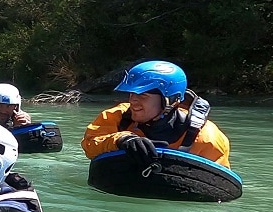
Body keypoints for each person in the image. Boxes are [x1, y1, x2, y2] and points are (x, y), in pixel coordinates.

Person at [81, 60, 231, 168]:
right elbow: (89, 145)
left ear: (170, 101)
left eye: (143, 95)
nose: (132, 101)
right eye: (132, 94)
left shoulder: (208, 138)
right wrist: (121, 140)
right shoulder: (117, 116)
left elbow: (219, 182)